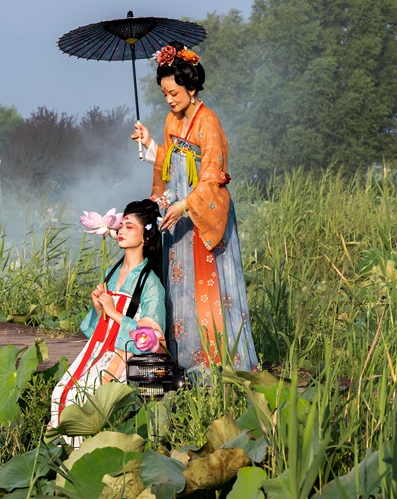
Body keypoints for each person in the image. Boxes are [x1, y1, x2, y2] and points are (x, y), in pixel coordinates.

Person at [130, 42, 259, 376]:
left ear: (191, 86)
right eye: (164, 95)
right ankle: (185, 360)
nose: (170, 100)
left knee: (209, 288)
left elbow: (213, 176)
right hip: (178, 213)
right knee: (180, 287)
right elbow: (170, 166)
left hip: (202, 213)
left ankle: (219, 363)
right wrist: (150, 144)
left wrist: (186, 204)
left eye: (174, 92)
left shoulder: (209, 123)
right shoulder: (172, 122)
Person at [49, 199, 166, 431]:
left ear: (146, 237)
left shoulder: (151, 284)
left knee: (81, 399)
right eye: (121, 225)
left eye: (129, 226)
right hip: (98, 348)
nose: (121, 230)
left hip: (125, 357)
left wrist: (114, 313)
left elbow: (152, 339)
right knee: (60, 392)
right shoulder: (109, 273)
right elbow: (96, 329)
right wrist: (99, 310)